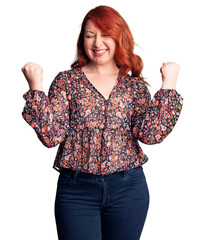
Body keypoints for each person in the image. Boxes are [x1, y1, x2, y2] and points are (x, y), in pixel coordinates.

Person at [21, 5, 183, 240]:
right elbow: (51, 136)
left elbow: (151, 135)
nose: (97, 43)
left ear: (119, 38)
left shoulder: (134, 87)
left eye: (105, 34)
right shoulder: (67, 81)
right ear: (82, 40)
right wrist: (35, 88)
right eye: (90, 35)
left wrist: (169, 85)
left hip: (128, 188)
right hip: (76, 189)